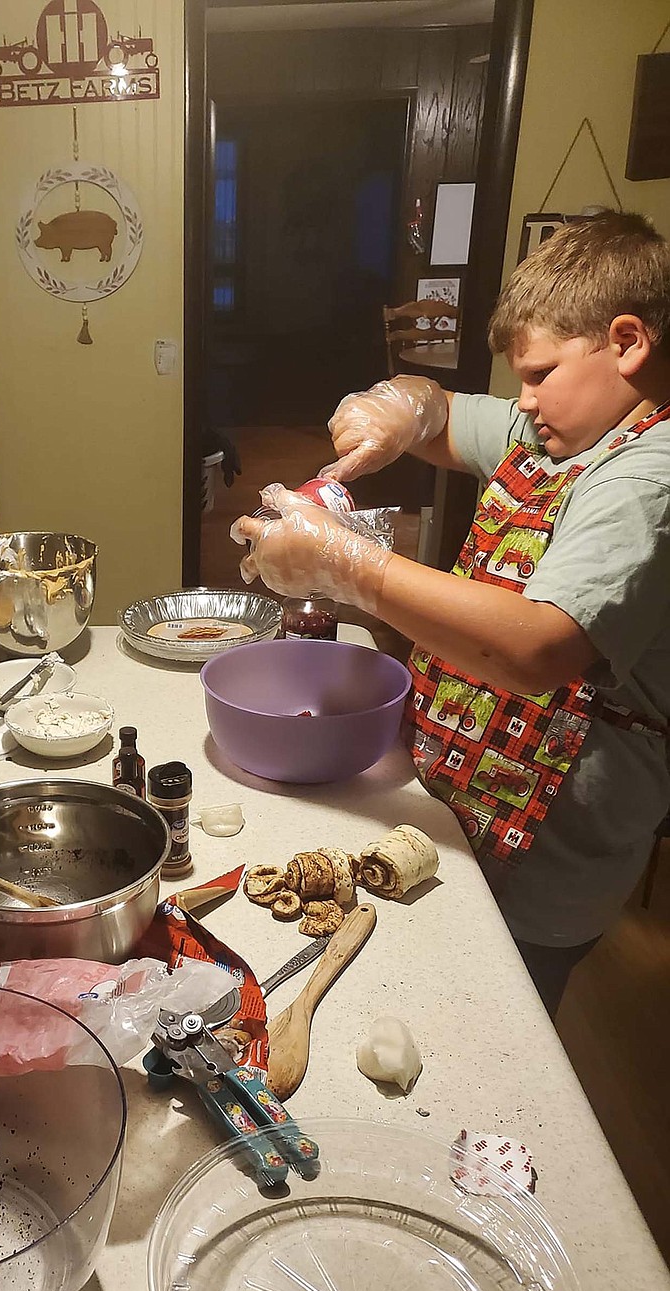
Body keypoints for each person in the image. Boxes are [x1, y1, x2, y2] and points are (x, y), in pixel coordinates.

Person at [232, 211, 670, 1016]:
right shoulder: (557, 433)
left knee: (495, 1025)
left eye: (538, 373)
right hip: (457, 798)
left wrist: (345, 564)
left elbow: (536, 649)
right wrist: (398, 406)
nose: (524, 399)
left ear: (628, 341)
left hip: (551, 854)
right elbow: (440, 409)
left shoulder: (646, 478)